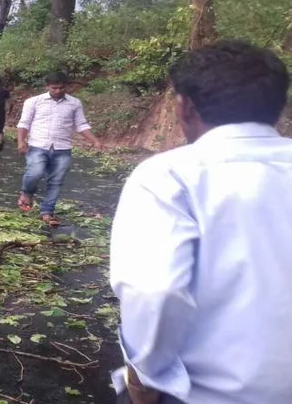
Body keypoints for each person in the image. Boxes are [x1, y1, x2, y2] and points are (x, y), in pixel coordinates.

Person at [110, 40, 292, 404]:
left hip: (201, 393)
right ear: (278, 106)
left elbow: (156, 290)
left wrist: (144, 379)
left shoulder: (170, 175)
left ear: (186, 106)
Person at [16, 72, 101, 226]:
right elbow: (24, 123)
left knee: (56, 181)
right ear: (47, 86)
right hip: (38, 145)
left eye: (61, 88)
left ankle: (47, 211)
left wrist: (94, 141)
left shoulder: (74, 103)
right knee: (35, 172)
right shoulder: (34, 102)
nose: (58, 91)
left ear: (66, 87)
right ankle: (27, 193)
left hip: (63, 148)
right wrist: (21, 141)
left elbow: (81, 125)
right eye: (54, 88)